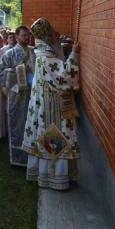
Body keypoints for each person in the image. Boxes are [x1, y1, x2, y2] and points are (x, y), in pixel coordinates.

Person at [21, 18, 80, 190]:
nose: (54, 35)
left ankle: (46, 173)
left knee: (47, 134)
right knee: (55, 135)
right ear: (47, 35)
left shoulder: (41, 53)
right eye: (52, 32)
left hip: (42, 104)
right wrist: (74, 54)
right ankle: (53, 177)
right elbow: (65, 77)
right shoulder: (46, 58)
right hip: (51, 107)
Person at [0, 26, 35, 167]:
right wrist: (20, 72)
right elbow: (0, 72)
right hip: (16, 95)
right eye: (24, 35)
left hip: (33, 95)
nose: (27, 37)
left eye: (28, 35)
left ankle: (33, 157)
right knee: (18, 124)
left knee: (32, 123)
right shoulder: (10, 54)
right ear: (17, 37)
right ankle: (18, 157)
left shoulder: (34, 52)